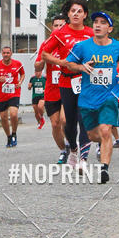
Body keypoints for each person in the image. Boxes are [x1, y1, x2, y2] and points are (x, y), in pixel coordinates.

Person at [65, 10, 119, 184]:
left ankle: (104, 168)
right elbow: (69, 63)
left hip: (109, 95)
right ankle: (103, 144)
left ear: (110, 28)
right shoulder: (82, 46)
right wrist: (81, 67)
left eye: (102, 22)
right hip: (87, 98)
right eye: (95, 22)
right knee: (94, 136)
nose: (98, 25)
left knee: (106, 130)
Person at [40, 0, 93, 169]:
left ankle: (84, 158)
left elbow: (103, 51)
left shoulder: (91, 34)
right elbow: (45, 54)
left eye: (80, 11)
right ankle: (73, 149)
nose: (76, 14)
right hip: (66, 81)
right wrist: (62, 62)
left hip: (86, 81)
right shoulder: (60, 34)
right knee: (68, 123)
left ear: (85, 15)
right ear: (68, 14)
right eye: (73, 11)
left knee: (83, 118)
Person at [35, 14, 68, 162]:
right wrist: (42, 59)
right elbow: (37, 67)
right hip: (52, 90)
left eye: (62, 25)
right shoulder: (46, 44)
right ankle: (63, 150)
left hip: (67, 87)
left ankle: (70, 144)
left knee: (64, 120)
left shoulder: (71, 43)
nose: (59, 28)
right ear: (51, 29)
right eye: (56, 25)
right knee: (55, 124)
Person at [0, 47, 25, 146]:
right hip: (2, 95)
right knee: (3, 117)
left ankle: (14, 134)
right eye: (4, 53)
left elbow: (22, 74)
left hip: (14, 93)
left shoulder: (17, 64)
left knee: (13, 114)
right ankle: (9, 137)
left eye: (8, 53)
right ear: (2, 53)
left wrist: (20, 82)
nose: (6, 55)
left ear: (11, 53)